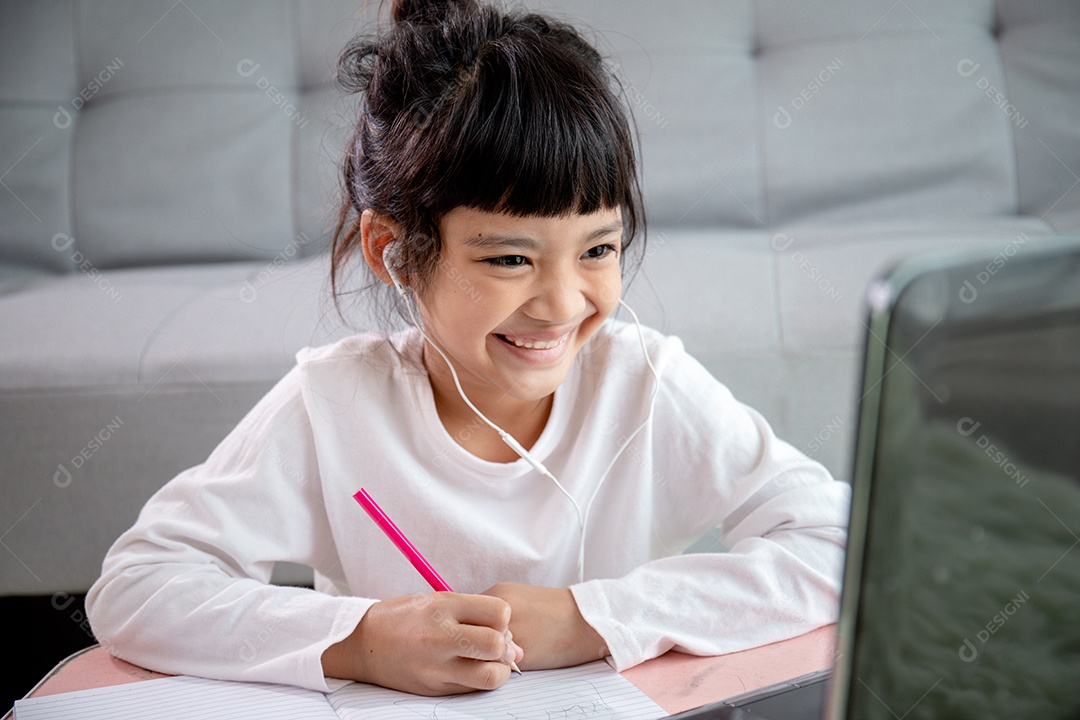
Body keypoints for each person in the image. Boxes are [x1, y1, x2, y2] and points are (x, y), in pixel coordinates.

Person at [86, 0, 850, 698]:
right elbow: (137, 585)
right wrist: (360, 642)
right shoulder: (334, 406)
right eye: (510, 259)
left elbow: (843, 545)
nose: (561, 303)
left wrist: (595, 617)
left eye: (598, 250)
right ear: (395, 251)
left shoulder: (644, 384)